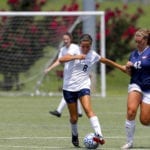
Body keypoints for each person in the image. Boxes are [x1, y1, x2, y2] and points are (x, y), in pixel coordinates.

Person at [59, 34, 125, 147]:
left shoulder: (93, 55)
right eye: (83, 46)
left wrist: (120, 67)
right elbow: (61, 60)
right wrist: (76, 57)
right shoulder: (74, 50)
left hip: (83, 85)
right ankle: (74, 134)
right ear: (80, 45)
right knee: (74, 118)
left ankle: (99, 135)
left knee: (88, 110)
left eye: (88, 47)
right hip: (69, 88)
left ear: (91, 45)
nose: (85, 49)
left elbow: (105, 60)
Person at [122, 29, 150, 149]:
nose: (137, 44)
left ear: (146, 40)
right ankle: (129, 142)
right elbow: (131, 73)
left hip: (149, 87)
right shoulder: (133, 54)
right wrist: (128, 68)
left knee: (144, 120)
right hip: (136, 84)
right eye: (136, 42)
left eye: (140, 42)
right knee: (131, 111)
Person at [45, 32, 83, 118]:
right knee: (75, 93)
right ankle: (79, 112)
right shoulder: (62, 49)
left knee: (68, 93)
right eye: (64, 39)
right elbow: (59, 61)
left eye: (67, 39)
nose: (65, 41)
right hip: (67, 75)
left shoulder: (74, 47)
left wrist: (62, 59)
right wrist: (49, 68)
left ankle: (59, 111)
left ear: (70, 39)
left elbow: (68, 57)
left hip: (76, 74)